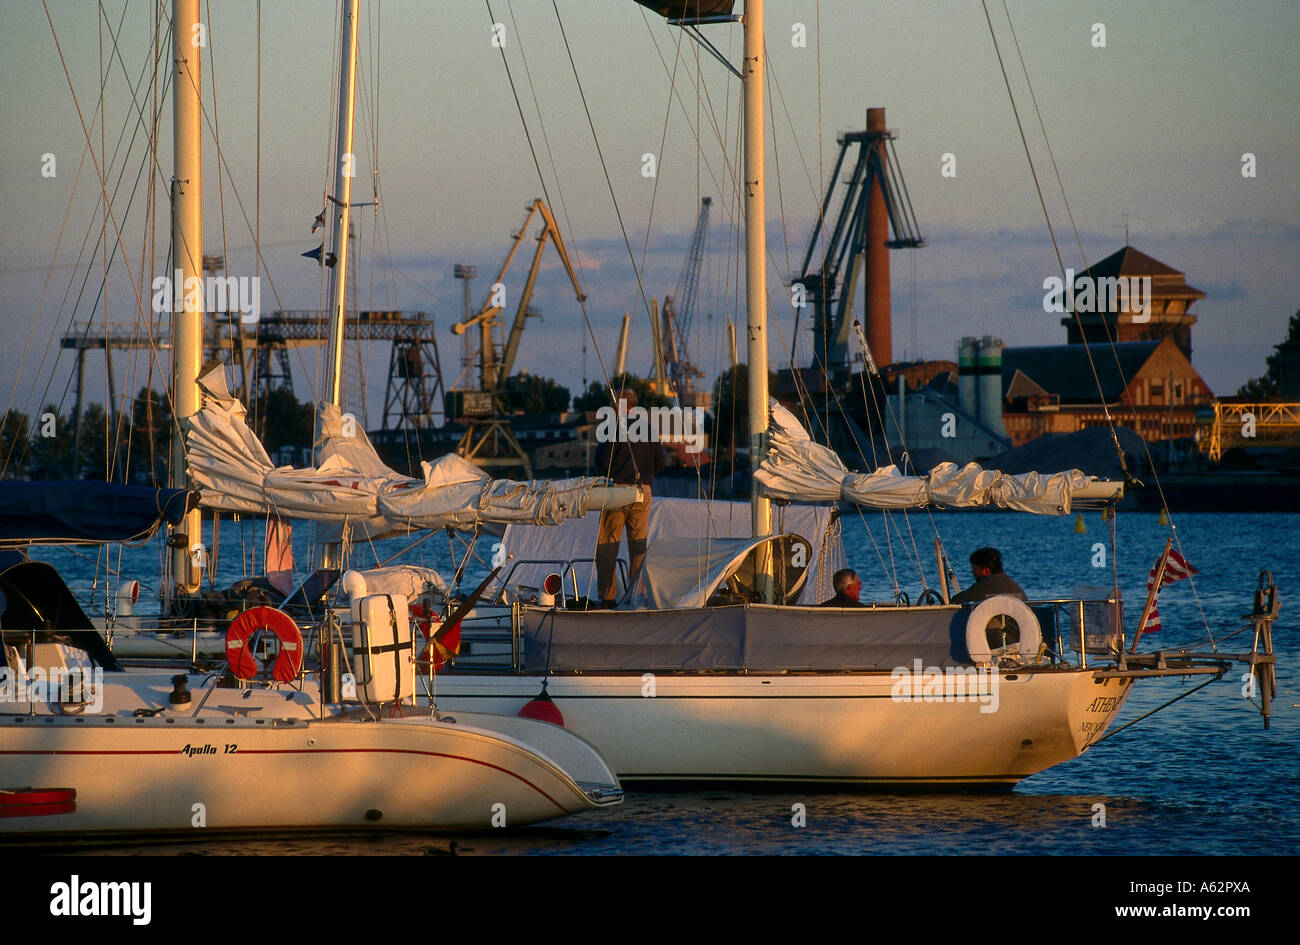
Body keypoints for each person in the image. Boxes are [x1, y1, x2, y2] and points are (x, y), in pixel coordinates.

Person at [594, 388, 666, 608]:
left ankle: (608, 597)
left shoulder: (612, 428)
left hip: (616, 492)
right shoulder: (649, 429)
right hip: (642, 492)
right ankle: (636, 596)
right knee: (638, 546)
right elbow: (661, 462)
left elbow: (603, 463)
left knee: (608, 544)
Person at [950, 547, 1026, 604]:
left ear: (986, 570)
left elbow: (956, 601)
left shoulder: (982, 587)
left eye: (974, 569)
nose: (972, 572)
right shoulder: (1016, 587)